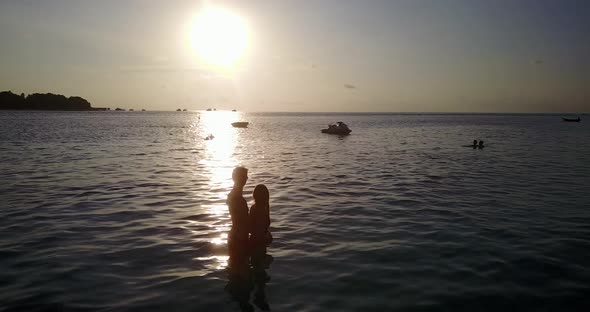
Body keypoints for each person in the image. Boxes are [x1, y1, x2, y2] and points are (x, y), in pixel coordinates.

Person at [227, 166, 250, 275]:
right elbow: (241, 220)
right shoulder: (237, 198)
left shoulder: (234, 195)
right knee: (240, 272)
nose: (247, 178)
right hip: (239, 238)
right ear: (239, 178)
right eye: (245, 176)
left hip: (236, 236)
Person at [249, 184, 272, 281]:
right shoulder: (260, 210)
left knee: (257, 269)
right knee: (259, 270)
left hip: (256, 242)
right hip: (258, 243)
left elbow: (251, 228)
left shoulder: (255, 208)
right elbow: (258, 228)